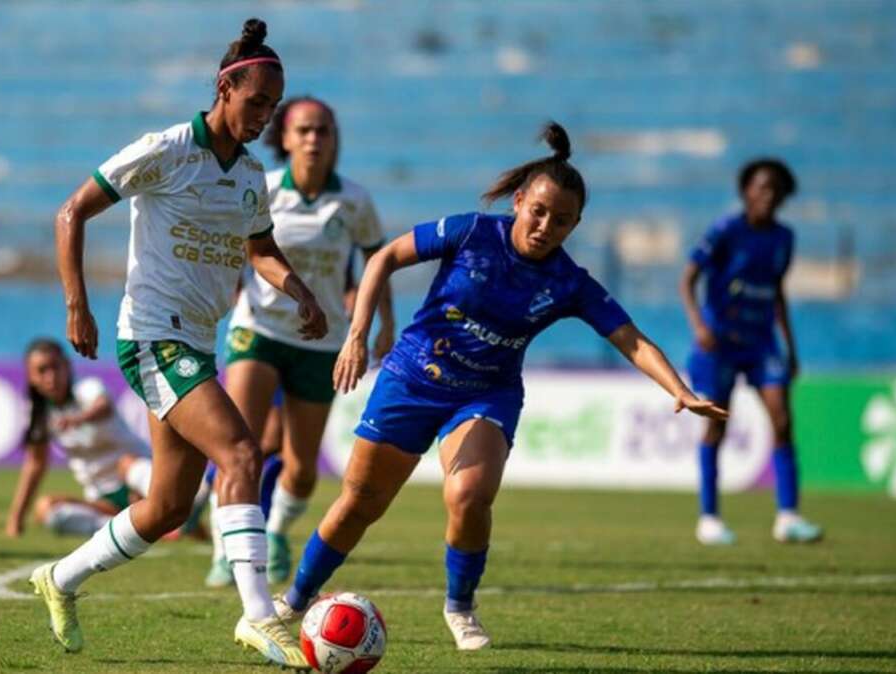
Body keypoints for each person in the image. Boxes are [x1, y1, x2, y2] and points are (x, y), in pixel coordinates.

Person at [273, 122, 729, 651]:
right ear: (518, 201)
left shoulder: (569, 283)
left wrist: (680, 389)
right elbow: (383, 258)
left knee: (468, 495)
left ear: (575, 225)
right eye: (538, 212)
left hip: (485, 394)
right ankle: (296, 600)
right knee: (360, 503)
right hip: (411, 378)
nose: (545, 227)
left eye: (561, 221)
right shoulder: (470, 233)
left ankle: (460, 607)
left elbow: (633, 341)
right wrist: (358, 336)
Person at [29, 19, 325, 668]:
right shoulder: (164, 150)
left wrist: (298, 289)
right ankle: (258, 614)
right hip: (153, 338)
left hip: (196, 343)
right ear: (225, 89)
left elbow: (261, 249)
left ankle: (61, 578)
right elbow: (71, 211)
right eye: (256, 103)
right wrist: (77, 304)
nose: (263, 118)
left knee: (165, 507)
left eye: (272, 108)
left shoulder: (250, 174)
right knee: (242, 454)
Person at [207, 96, 394, 587]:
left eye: (323, 131)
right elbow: (234, 248)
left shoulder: (354, 201)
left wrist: (384, 323)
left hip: (323, 339)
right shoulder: (263, 189)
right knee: (238, 447)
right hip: (260, 328)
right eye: (304, 130)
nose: (313, 139)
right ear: (284, 138)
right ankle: (227, 548)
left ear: (334, 140)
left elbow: (379, 262)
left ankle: (274, 531)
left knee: (304, 469)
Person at [681, 158, 822, 546]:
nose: (768, 195)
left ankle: (788, 517)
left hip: (761, 342)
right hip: (721, 342)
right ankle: (709, 519)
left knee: (782, 420)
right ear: (746, 191)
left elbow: (777, 292)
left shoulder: (783, 238)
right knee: (716, 424)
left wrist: (790, 348)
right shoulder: (726, 230)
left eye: (776, 189)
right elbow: (688, 279)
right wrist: (700, 327)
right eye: (761, 187)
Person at [5, 338, 207, 538]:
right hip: (102, 499)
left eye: (55, 367)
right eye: (42, 370)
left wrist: (78, 419)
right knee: (45, 508)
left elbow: (103, 406)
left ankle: (174, 507)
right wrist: (16, 520)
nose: (51, 377)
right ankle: (134, 529)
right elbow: (35, 465)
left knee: (126, 463)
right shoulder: (39, 415)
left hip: (138, 481)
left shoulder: (86, 388)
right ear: (31, 376)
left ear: (67, 366)